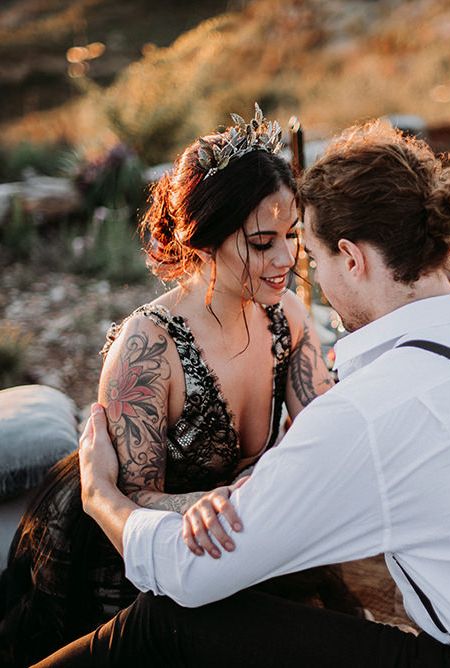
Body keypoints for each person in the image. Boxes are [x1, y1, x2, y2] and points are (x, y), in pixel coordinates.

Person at [37, 120, 450, 667]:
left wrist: (100, 495)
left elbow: (187, 571)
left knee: (173, 621)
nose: (293, 267)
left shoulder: (373, 404)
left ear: (354, 259)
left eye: (307, 252)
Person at [0, 106, 360, 667]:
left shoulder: (284, 315)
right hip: (133, 555)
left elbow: (327, 427)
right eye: (263, 242)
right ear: (205, 238)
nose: (287, 260)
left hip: (236, 533)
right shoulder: (149, 349)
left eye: (291, 236)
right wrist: (214, 502)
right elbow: (130, 497)